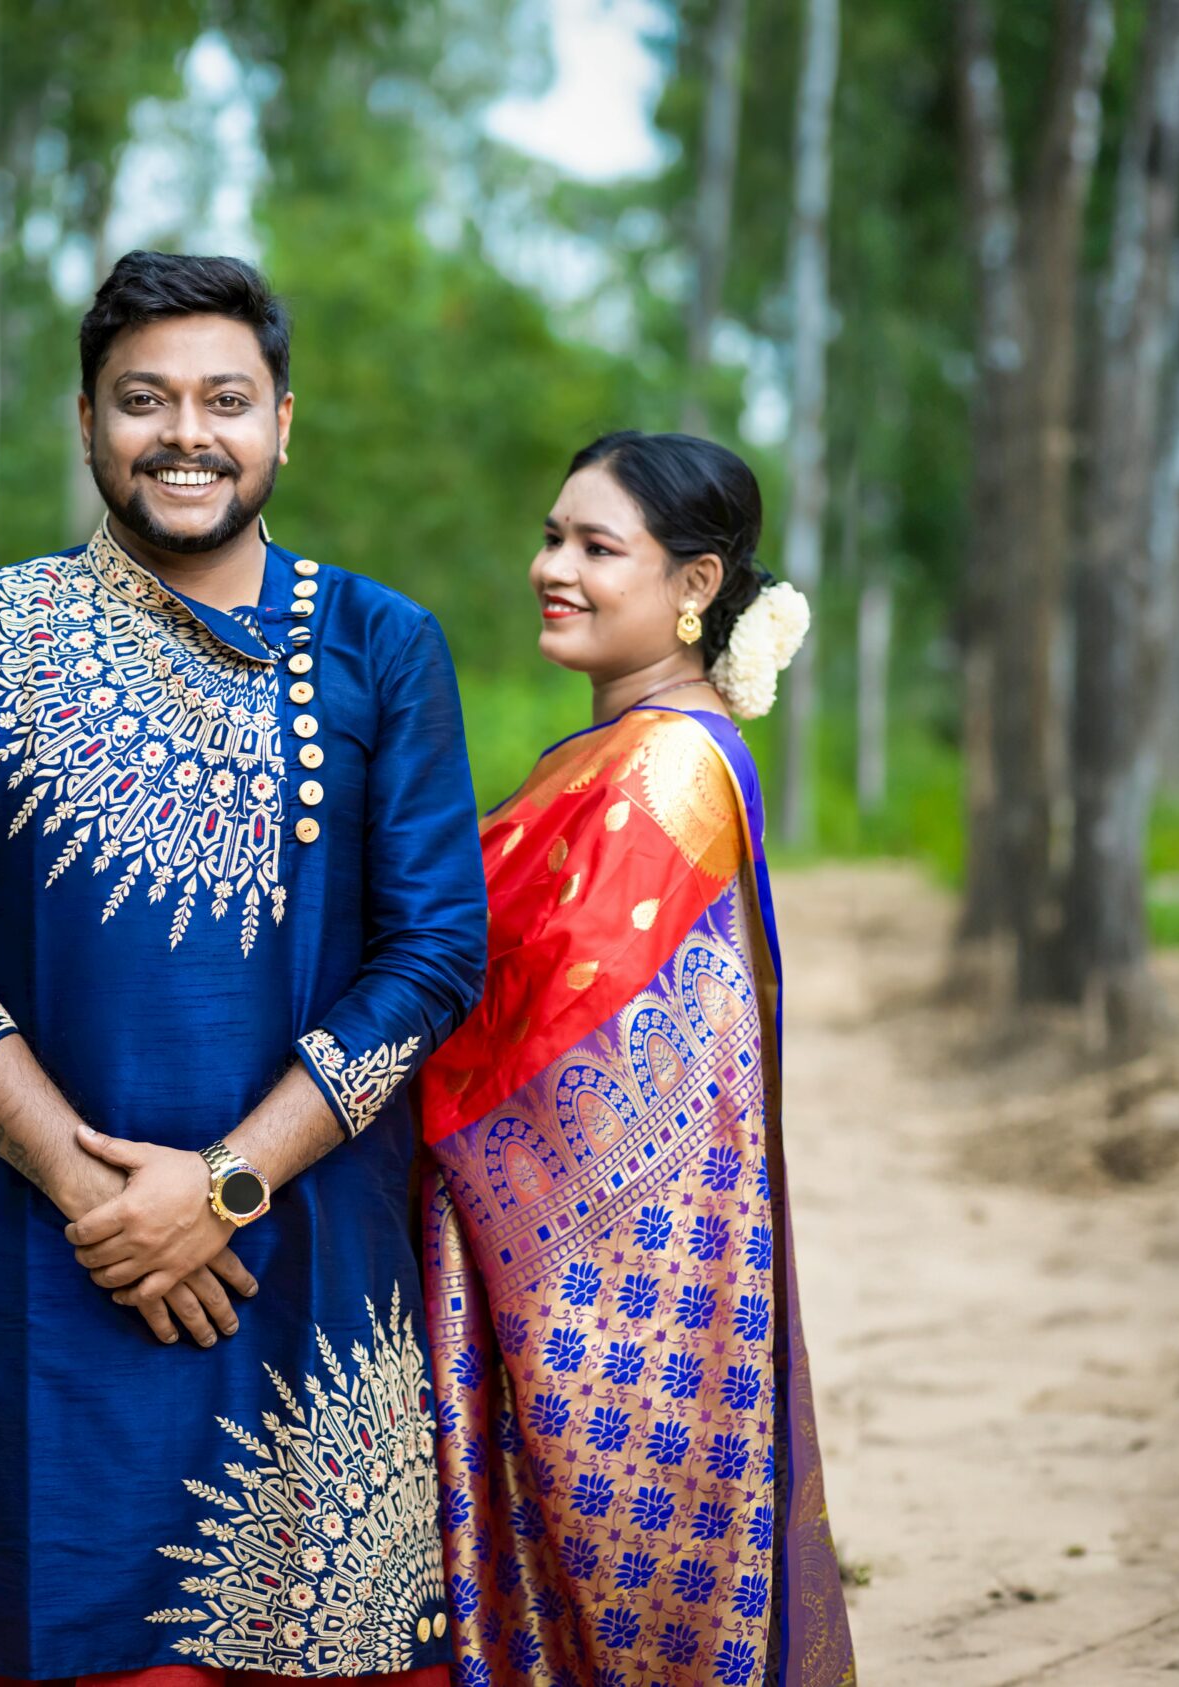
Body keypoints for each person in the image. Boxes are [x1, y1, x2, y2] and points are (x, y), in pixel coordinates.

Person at [0, 250, 488, 1687]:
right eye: (144, 398)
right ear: (86, 424)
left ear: (283, 424)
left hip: (301, 1269)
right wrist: (94, 1188)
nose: (187, 431)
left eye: (225, 398)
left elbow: (434, 951)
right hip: (35, 1260)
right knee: (32, 1613)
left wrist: (226, 1182)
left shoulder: (387, 647)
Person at [417, 432, 858, 1686]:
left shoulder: (667, 764)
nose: (552, 566)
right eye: (554, 535)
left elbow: (547, 1038)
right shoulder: (621, 751)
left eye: (596, 547)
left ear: (695, 585)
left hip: (612, 1276)